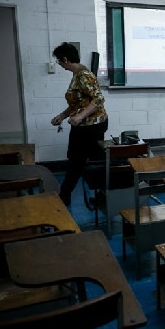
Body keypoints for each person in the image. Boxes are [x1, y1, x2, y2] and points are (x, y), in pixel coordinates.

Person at [51, 42, 108, 206]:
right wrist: (62, 116)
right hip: (83, 125)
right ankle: (72, 195)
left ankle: (66, 196)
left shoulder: (84, 76)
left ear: (66, 59)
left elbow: (99, 99)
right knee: (79, 161)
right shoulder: (77, 75)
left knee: (80, 161)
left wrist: (80, 116)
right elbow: (79, 103)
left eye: (59, 62)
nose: (60, 65)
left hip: (92, 125)